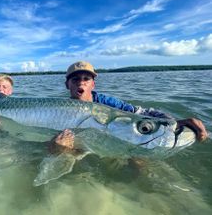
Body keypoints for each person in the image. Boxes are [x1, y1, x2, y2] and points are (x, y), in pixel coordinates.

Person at [54, 61, 208, 150]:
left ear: (93, 84)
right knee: (60, 148)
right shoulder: (57, 106)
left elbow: (145, 113)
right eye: (75, 79)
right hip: (84, 142)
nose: (81, 82)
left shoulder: (108, 103)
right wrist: (56, 148)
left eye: (86, 78)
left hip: (113, 143)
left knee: (137, 157)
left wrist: (174, 123)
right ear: (67, 85)